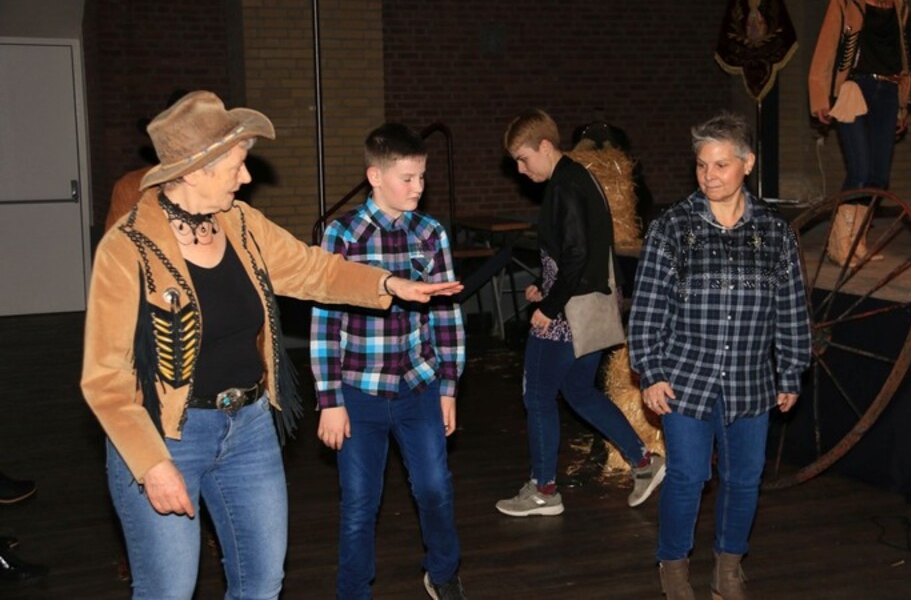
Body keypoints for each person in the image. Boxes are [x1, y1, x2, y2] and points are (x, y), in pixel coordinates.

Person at [80, 91, 461, 600]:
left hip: (249, 428)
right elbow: (105, 377)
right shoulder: (128, 249)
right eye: (235, 166)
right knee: (168, 590)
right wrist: (151, 463)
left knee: (261, 584)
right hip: (167, 435)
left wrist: (388, 284)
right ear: (194, 170)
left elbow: (315, 270)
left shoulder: (241, 224)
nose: (246, 177)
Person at [628, 113, 811, 600]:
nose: (709, 175)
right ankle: (673, 567)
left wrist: (791, 371)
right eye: (702, 165)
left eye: (721, 165)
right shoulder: (672, 228)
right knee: (688, 477)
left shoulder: (775, 233)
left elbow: (791, 307)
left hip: (751, 381)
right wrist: (651, 371)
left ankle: (729, 567)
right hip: (685, 379)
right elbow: (647, 308)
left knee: (744, 480)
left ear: (747, 164)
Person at [310, 123, 467, 600]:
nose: (418, 187)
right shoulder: (342, 234)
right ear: (375, 176)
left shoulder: (431, 232)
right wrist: (330, 400)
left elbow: (447, 312)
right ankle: (353, 591)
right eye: (407, 178)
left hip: (419, 385)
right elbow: (325, 320)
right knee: (360, 503)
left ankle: (443, 572)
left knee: (436, 489)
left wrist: (448, 387)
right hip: (359, 391)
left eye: (422, 176)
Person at [495, 109, 665, 517]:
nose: (520, 170)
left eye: (523, 159)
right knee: (579, 391)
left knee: (538, 395)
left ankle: (544, 489)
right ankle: (644, 462)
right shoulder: (576, 178)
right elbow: (576, 252)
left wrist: (549, 306)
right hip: (588, 306)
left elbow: (575, 256)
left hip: (568, 313)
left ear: (545, 146)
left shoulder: (566, 185)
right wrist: (544, 283)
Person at [808, 0, 911, 265]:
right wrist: (820, 97)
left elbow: (903, 56)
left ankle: (858, 241)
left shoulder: (898, 2)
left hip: (887, 91)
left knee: (878, 175)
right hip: (854, 90)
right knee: (860, 169)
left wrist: (902, 104)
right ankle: (840, 245)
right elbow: (826, 50)